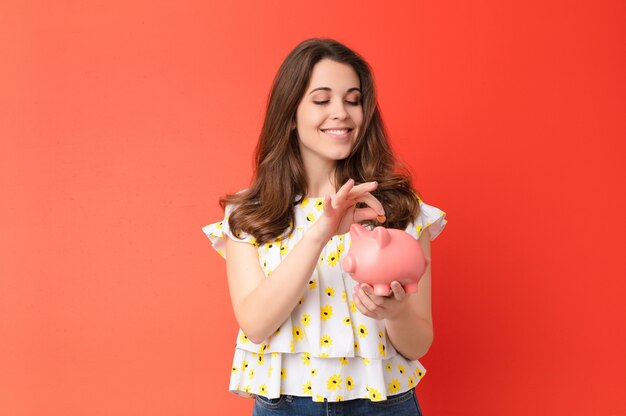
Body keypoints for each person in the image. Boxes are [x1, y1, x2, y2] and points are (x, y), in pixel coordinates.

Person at [202, 38, 447, 415]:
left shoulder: (399, 208)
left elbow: (418, 344)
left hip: (385, 406)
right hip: (287, 407)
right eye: (321, 100)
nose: (342, 113)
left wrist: (395, 313)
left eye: (353, 100)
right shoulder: (252, 212)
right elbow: (256, 324)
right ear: (290, 113)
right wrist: (321, 231)